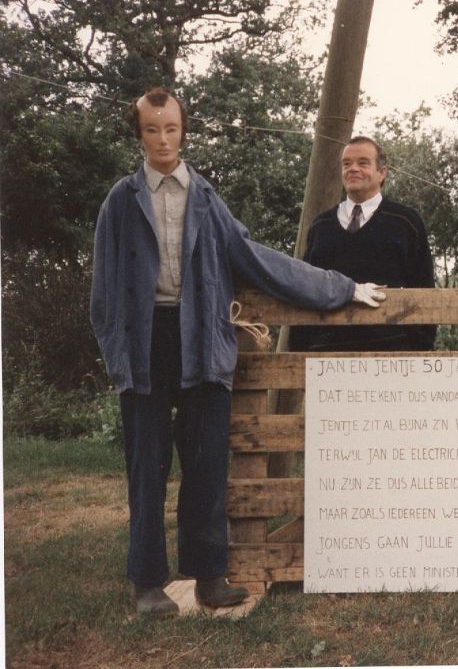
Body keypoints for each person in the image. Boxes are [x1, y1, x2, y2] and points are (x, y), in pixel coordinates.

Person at [90, 87, 386, 616]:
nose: (163, 139)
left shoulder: (204, 197)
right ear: (139, 134)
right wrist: (118, 359)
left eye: (171, 128)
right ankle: (147, 583)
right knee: (147, 467)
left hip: (201, 342)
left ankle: (209, 577)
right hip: (145, 347)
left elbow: (256, 260)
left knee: (206, 467)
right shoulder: (120, 200)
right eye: (152, 129)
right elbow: (104, 293)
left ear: (184, 131)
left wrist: (340, 287)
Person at [288, 136, 436, 352]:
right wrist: (300, 353)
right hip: (326, 358)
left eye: (363, 162)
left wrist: (418, 349)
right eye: (346, 164)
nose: (353, 169)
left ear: (382, 172)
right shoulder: (321, 225)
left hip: (391, 356)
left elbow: (425, 290)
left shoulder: (406, 222)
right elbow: (307, 288)